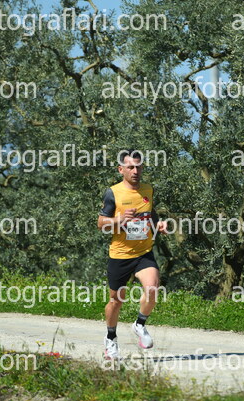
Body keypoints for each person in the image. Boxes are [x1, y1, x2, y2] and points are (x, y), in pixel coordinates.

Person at [97, 149, 167, 360]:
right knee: (116, 301)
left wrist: (158, 225)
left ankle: (139, 324)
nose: (135, 171)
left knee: (152, 288)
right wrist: (119, 220)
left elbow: (150, 214)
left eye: (138, 167)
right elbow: (101, 224)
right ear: (121, 170)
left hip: (143, 252)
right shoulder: (113, 193)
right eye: (130, 167)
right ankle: (110, 338)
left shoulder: (148, 189)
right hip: (120, 255)